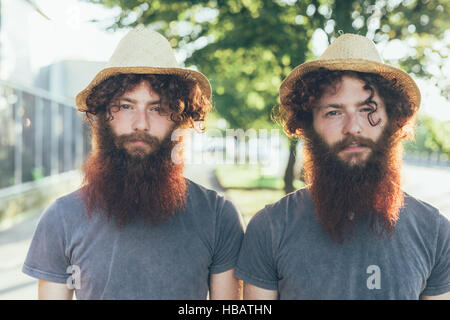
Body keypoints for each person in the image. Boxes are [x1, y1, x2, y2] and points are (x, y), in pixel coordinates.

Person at [22, 28, 244, 300]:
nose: (141, 123)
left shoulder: (218, 217)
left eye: (157, 108)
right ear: (103, 115)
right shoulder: (61, 218)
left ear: (179, 118)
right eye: (126, 106)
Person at [235, 33, 450, 299]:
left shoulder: (435, 232)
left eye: (368, 109)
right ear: (309, 125)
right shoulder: (269, 228)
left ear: (391, 119)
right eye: (334, 112)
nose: (353, 127)